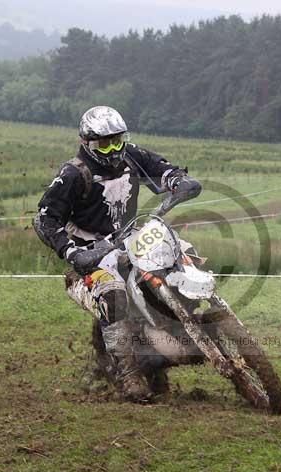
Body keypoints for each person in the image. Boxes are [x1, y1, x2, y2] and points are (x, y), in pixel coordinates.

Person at [34, 106, 201, 402]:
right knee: (113, 293)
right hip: (91, 256)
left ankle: (193, 325)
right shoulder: (73, 174)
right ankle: (129, 374)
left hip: (130, 239)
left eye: (118, 140)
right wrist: (71, 252)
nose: (113, 149)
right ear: (87, 143)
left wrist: (177, 180)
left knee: (183, 255)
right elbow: (44, 219)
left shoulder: (130, 154)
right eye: (104, 143)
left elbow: (161, 169)